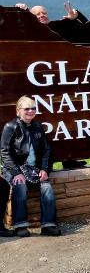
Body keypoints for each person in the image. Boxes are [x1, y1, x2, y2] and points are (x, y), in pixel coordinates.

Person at [0, 96, 61, 237]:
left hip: (34, 169)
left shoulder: (38, 126)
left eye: (33, 108)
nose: (30, 111)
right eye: (26, 108)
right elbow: (4, 152)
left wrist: (45, 169)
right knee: (20, 186)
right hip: (14, 169)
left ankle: (48, 225)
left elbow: (46, 150)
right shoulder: (10, 127)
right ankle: (20, 225)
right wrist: (16, 173)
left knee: (47, 188)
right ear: (18, 111)